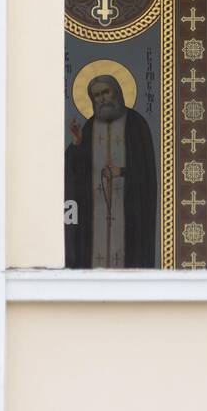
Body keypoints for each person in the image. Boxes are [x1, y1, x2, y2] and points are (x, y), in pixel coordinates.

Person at [64, 74, 157, 268]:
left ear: (117, 92)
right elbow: (75, 174)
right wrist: (77, 143)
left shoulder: (136, 125)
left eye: (106, 92)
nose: (102, 98)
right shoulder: (89, 127)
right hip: (95, 214)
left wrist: (121, 171)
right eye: (97, 95)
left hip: (130, 213)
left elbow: (146, 175)